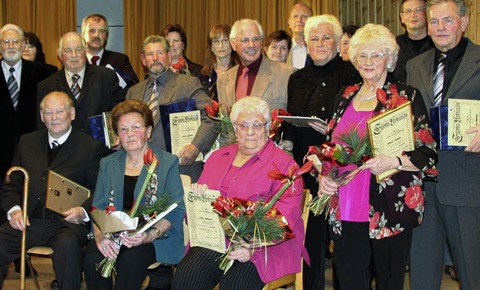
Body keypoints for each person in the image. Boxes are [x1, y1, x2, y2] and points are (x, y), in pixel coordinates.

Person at [318, 24, 438, 290]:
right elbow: (329, 149)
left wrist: (393, 162)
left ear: (390, 58)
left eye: (376, 55)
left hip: (388, 207)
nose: (368, 61)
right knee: (349, 282)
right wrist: (324, 177)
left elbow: (427, 155)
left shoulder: (406, 97)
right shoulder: (345, 96)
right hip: (347, 206)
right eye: (362, 55)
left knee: (388, 282)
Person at [0, 91, 111, 290]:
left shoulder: (90, 147)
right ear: (41, 116)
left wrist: (82, 212)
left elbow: (99, 190)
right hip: (29, 220)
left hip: (66, 225)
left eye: (59, 111)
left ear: (72, 113)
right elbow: (12, 183)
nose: (54, 117)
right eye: (48, 113)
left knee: (67, 247)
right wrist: (14, 209)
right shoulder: (27, 142)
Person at [172, 96, 306, 289]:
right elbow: (191, 217)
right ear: (235, 130)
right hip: (217, 241)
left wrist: (251, 247)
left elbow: (285, 220)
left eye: (257, 125)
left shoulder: (284, 164)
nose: (250, 132)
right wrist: (198, 199)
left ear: (268, 129)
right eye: (243, 126)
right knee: (187, 274)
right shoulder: (217, 157)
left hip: (266, 247)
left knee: (235, 284)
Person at [280, 14, 362, 290]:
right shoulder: (297, 78)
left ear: (339, 42)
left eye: (327, 37)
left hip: (344, 170)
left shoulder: (353, 74)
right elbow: (291, 122)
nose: (320, 43)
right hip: (309, 170)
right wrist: (287, 144)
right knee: (311, 240)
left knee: (344, 244)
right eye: (314, 38)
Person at [407, 1, 480, 289]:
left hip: (467, 181)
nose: (440, 28)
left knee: (472, 271)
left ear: (463, 22)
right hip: (422, 184)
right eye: (434, 22)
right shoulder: (415, 66)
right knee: (422, 271)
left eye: (447, 20)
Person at [83, 99, 185, 290]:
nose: (129, 134)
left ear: (148, 131)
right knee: (91, 259)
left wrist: (148, 235)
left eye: (136, 127)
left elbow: (175, 210)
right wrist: (99, 237)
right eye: (123, 129)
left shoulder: (167, 162)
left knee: (129, 261)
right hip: (113, 234)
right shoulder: (108, 163)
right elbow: (98, 207)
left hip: (153, 237)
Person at [0, 24, 55, 229]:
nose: (11, 46)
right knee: (0, 212)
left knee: (33, 209)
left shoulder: (45, 73)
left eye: (16, 41)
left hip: (35, 154)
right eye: (6, 41)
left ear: (23, 45)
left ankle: (25, 258)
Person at [127, 35, 216, 181]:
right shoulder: (133, 92)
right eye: (150, 54)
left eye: (160, 53)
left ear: (169, 56)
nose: (155, 58)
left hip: (180, 169)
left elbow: (212, 116)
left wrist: (196, 146)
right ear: (143, 59)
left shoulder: (188, 84)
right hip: (143, 173)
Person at [37, 32, 125, 134]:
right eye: (68, 50)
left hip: (100, 147)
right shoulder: (46, 86)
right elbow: (41, 125)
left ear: (86, 50)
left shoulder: (107, 77)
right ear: (60, 54)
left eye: (78, 50)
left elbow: (119, 112)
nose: (74, 55)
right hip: (64, 148)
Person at [217, 19, 294, 111]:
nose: (251, 45)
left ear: (261, 42)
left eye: (255, 39)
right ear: (233, 44)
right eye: (245, 40)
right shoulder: (223, 80)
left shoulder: (287, 74)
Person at [81, 14, 139, 90]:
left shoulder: (120, 60)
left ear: (106, 36)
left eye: (101, 31)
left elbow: (134, 89)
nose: (96, 35)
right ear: (83, 34)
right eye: (92, 31)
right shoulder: (76, 61)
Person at [393, 0, 434, 82]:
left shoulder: (438, 44)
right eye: (408, 11)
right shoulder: (393, 45)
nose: (413, 15)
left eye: (418, 9)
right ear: (402, 18)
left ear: (427, 14)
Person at [199, 24, 238, 101]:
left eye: (225, 41)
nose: (221, 46)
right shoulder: (203, 75)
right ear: (212, 47)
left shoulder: (240, 72)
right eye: (216, 41)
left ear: (232, 44)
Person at [287, 3, 314, 69]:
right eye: (295, 16)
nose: (299, 20)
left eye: (304, 16)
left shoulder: (320, 48)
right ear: (289, 23)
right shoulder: (281, 49)